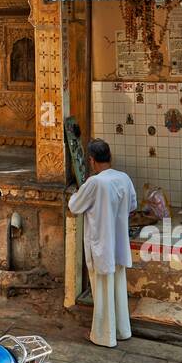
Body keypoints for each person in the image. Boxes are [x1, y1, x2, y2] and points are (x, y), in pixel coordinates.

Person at [68, 139, 137, 349]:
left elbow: (75, 206)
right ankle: (122, 330)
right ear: (110, 157)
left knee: (102, 290)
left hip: (101, 245)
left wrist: (75, 194)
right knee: (116, 286)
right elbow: (133, 204)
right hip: (118, 243)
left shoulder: (95, 183)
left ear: (91, 160)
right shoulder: (123, 178)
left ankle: (104, 336)